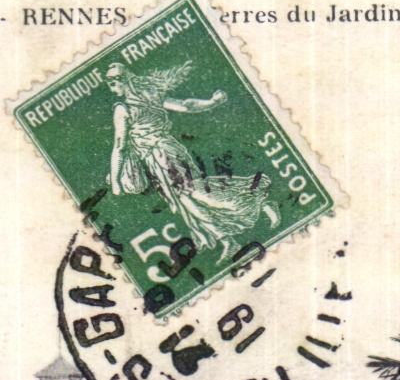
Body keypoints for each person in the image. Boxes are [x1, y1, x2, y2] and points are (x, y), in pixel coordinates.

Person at [105, 60, 277, 262]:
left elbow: (119, 145)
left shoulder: (122, 109)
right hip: (166, 154)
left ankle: (259, 200)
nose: (111, 88)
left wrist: (116, 182)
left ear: (122, 81)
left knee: (197, 194)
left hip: (163, 157)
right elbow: (186, 105)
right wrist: (212, 102)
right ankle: (228, 240)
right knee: (189, 200)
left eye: (112, 82)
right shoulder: (150, 95)